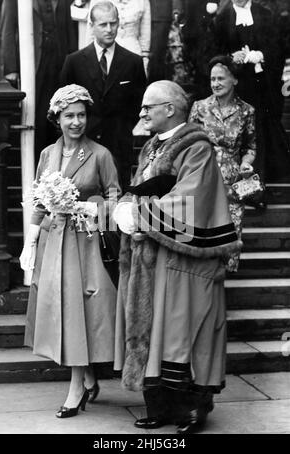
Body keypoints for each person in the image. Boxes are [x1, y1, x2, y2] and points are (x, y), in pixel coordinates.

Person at [113, 80, 242, 434]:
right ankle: (162, 407)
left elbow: (189, 201)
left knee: (186, 334)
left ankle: (192, 409)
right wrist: (125, 205)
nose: (141, 113)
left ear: (169, 109)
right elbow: (140, 190)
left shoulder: (196, 148)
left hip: (186, 262)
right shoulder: (153, 148)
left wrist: (137, 215)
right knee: (157, 333)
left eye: (147, 107)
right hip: (153, 259)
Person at [20, 84, 121, 418]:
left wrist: (86, 207)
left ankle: (76, 388)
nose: (76, 122)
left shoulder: (100, 154)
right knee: (60, 311)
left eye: (81, 115)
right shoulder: (48, 154)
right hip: (54, 243)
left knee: (79, 313)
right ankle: (88, 375)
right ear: (57, 118)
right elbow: (39, 200)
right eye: (69, 116)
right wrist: (30, 242)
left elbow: (114, 200)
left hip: (84, 243)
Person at [61, 1, 146, 191]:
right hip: (82, 143)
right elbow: (63, 104)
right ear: (91, 26)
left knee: (115, 200)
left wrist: (120, 128)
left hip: (118, 144)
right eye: (103, 24)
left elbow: (137, 105)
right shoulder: (74, 62)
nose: (109, 29)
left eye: (113, 23)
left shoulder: (133, 62)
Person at [189, 55, 256, 272]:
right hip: (203, 176)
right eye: (212, 79)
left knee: (230, 232)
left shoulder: (247, 111)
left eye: (221, 79)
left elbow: (250, 147)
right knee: (203, 229)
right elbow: (188, 142)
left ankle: (224, 285)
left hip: (232, 183)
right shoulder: (200, 107)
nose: (215, 84)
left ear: (234, 80)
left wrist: (246, 163)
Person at [212, 0, 290, 182]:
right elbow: (212, 52)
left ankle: (261, 181)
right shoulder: (221, 19)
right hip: (236, 85)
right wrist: (231, 58)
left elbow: (279, 46)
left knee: (262, 126)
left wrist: (260, 55)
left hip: (262, 84)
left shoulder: (266, 14)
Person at [0, 0, 78, 160]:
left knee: (59, 114)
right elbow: (8, 28)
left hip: (59, 62)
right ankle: (37, 164)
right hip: (33, 64)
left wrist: (73, 63)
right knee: (37, 117)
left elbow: (69, 28)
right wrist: (11, 68)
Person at [79, 0, 151, 75]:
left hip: (133, 49)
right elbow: (91, 31)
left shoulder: (143, 1)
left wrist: (145, 58)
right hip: (106, 50)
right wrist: (89, 57)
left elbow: (145, 32)